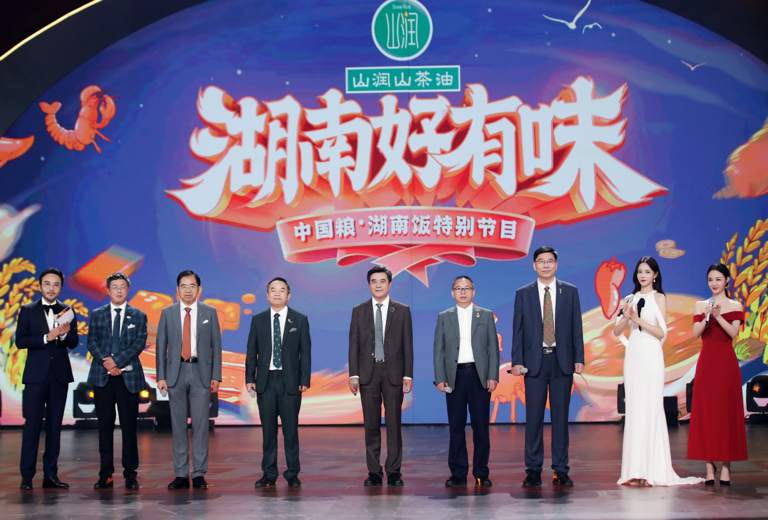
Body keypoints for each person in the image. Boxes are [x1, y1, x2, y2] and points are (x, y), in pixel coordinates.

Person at [613, 256, 701, 486]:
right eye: (639, 271)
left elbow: (661, 332)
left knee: (650, 407)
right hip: (634, 354)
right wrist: (625, 317)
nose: (643, 275)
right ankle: (634, 471)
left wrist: (638, 319)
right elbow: (616, 331)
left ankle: (651, 470)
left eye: (647, 272)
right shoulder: (630, 298)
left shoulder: (659, 297)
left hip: (651, 354)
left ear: (655, 275)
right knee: (634, 409)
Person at [511, 246, 584, 487]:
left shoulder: (570, 292)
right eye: (541, 261)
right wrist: (517, 361)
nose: (545, 265)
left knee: (560, 419)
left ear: (556, 264)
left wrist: (579, 357)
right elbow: (518, 330)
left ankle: (560, 469)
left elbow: (576, 327)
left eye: (549, 261)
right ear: (534, 265)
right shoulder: (523, 293)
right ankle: (533, 469)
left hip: (562, 362)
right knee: (533, 418)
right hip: (534, 363)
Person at [156, 270, 222, 490]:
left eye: (192, 286)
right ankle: (181, 474)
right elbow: (161, 347)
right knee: (177, 426)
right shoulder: (167, 313)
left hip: (201, 373)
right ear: (177, 290)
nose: (187, 290)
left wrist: (216, 375)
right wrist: (161, 376)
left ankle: (199, 473)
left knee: (201, 426)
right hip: (176, 373)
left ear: (199, 290)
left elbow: (216, 346)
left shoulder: (209, 313)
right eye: (183, 286)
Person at [348, 265, 413, 487]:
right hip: (368, 374)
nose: (378, 285)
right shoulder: (359, 311)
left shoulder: (402, 311)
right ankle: (374, 472)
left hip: (393, 374)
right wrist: (354, 374)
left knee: (394, 425)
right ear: (369, 285)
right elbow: (353, 344)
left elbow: (408, 345)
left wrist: (408, 375)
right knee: (371, 425)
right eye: (374, 281)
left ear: (389, 284)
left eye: (382, 281)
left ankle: (394, 471)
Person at [16, 268, 79, 490]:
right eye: (47, 284)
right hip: (35, 377)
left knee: (54, 427)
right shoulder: (27, 310)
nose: (51, 288)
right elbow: (20, 341)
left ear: (61, 287)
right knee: (32, 426)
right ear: (40, 285)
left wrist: (64, 334)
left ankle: (50, 476)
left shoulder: (68, 311)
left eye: (56, 284)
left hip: (59, 377)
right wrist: (46, 337)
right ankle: (27, 476)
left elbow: (74, 342)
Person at [433, 275, 499, 488]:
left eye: (466, 288)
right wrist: (440, 378)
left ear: (473, 292)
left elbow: (492, 349)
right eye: (458, 288)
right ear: (452, 292)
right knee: (456, 427)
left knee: (481, 427)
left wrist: (492, 375)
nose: (463, 292)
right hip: (455, 377)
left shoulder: (485, 315)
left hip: (479, 376)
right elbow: (438, 350)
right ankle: (458, 474)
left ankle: (481, 472)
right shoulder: (444, 316)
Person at [246, 277, 311, 488]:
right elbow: (251, 351)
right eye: (273, 290)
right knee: (268, 432)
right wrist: (250, 378)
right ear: (267, 295)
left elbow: (305, 353)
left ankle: (292, 473)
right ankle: (269, 473)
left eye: (281, 290)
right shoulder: (258, 320)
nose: (277, 293)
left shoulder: (299, 320)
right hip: (265, 382)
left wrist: (304, 379)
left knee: (291, 431)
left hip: (290, 382)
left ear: (288, 295)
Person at [86, 272, 148, 490]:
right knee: (104, 428)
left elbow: (139, 343)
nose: (119, 290)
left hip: (128, 377)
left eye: (123, 287)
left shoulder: (138, 315)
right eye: (115, 287)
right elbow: (91, 341)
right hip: (102, 377)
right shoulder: (97, 314)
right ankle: (105, 474)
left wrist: (117, 361)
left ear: (128, 289)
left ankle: (131, 474)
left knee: (130, 428)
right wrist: (107, 363)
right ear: (108, 290)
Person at [688, 263, 747, 485]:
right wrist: (706, 317)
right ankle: (709, 466)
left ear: (726, 281)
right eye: (710, 279)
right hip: (707, 363)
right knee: (708, 413)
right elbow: (695, 333)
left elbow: (733, 333)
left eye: (718, 279)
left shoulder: (735, 305)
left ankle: (726, 466)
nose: (714, 283)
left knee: (725, 413)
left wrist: (718, 316)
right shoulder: (700, 305)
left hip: (726, 363)